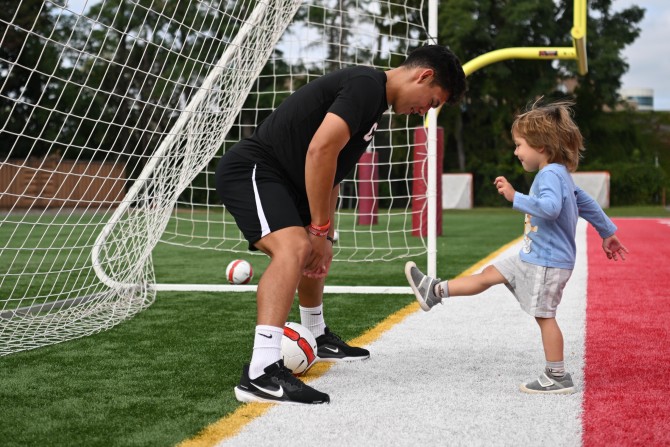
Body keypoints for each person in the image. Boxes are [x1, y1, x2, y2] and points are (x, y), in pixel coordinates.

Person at [216, 45, 466, 404]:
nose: (424, 111)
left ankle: (315, 334)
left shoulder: (373, 107)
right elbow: (320, 150)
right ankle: (261, 372)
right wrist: (316, 230)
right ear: (423, 76)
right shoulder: (366, 85)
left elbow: (332, 174)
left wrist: (327, 234)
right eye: (432, 101)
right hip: (255, 170)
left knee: (313, 249)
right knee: (296, 247)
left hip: (289, 181)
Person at [405, 99, 628, 395]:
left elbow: (549, 209)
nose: (516, 151)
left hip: (547, 262)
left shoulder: (550, 175)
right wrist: (607, 231)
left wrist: (515, 196)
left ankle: (557, 375)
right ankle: (434, 291)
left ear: (542, 146)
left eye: (520, 145)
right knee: (489, 273)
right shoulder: (558, 173)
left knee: (544, 316)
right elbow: (583, 200)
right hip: (534, 256)